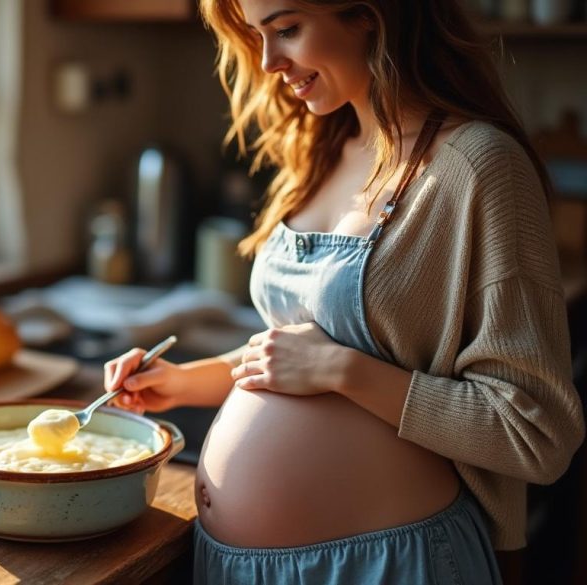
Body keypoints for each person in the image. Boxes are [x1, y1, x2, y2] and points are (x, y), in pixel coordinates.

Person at [102, 0, 586, 583]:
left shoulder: (478, 168)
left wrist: (343, 372)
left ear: (372, 15)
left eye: (286, 29)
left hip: (388, 563)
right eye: (257, 36)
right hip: (231, 565)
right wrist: (181, 382)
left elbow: (535, 432)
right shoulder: (320, 152)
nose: (267, 61)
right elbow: (298, 353)